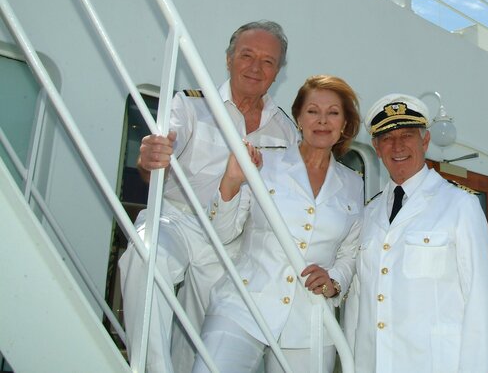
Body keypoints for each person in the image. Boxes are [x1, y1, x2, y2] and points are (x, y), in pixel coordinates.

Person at [118, 21, 299, 373]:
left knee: (204, 334)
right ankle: (151, 368)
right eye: (247, 55)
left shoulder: (286, 130)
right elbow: (158, 158)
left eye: (268, 61)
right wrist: (150, 159)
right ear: (229, 59)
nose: (255, 67)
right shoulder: (191, 106)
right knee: (147, 255)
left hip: (233, 240)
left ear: (277, 72)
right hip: (180, 218)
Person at [192, 75, 363, 373]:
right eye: (312, 111)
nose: (322, 121)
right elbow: (222, 233)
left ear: (345, 124)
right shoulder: (264, 162)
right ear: (298, 117)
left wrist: (334, 281)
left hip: (309, 322)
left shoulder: (353, 184)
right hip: (244, 304)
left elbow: (350, 253)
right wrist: (231, 181)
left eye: (333, 113)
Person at [350, 94, 488, 373]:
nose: (397, 146)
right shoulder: (369, 214)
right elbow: (358, 306)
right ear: (376, 148)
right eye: (387, 138)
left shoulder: (460, 206)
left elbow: (482, 303)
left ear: (425, 141)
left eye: (407, 135)